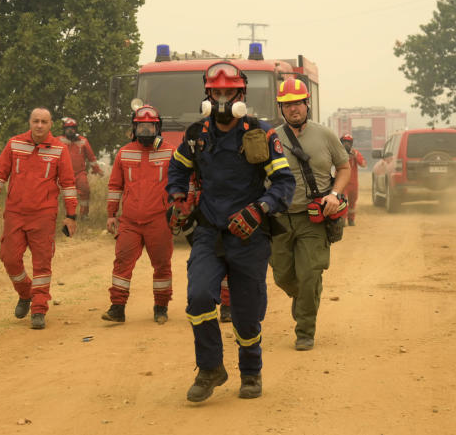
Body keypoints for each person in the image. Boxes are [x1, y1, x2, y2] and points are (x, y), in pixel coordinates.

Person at [166, 61, 295, 402]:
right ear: (207, 95)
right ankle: (210, 368)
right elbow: (177, 167)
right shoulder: (195, 135)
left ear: (241, 94)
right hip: (209, 231)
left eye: (229, 92)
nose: (222, 99)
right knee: (198, 298)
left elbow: (284, 183)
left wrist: (259, 209)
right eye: (216, 93)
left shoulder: (261, 133)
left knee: (246, 312)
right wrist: (176, 196)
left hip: (249, 236)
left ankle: (251, 372)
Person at [271, 78, 350, 352]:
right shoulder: (272, 138)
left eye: (298, 103)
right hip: (279, 218)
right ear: (281, 108)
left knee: (309, 274)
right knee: (282, 276)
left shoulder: (325, 135)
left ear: (308, 104)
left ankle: (305, 331)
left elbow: (344, 168)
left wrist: (335, 195)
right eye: (288, 104)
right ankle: (305, 297)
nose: (294, 109)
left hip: (312, 218)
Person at [0, 107, 78, 330]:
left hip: (43, 215)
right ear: (29, 122)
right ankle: (25, 293)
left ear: (50, 124)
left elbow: (68, 184)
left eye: (44, 122)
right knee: (9, 258)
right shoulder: (14, 144)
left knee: (42, 263)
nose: (39, 125)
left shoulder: (59, 149)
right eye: (35, 121)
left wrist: (71, 215)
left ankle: (38, 309)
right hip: (15, 213)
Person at [102, 105, 174, 324]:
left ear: (158, 127)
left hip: (159, 220)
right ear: (134, 128)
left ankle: (160, 307)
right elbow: (115, 186)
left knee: (161, 265)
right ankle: (117, 308)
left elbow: (182, 184)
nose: (145, 132)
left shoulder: (171, 152)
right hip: (130, 221)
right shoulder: (124, 153)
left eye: (150, 127)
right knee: (122, 262)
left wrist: (181, 212)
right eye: (141, 127)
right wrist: (111, 214)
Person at [60, 116, 105, 221]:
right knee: (67, 195)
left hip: (80, 173)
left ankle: (84, 215)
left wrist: (97, 169)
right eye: (68, 128)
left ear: (76, 129)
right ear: (64, 130)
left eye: (72, 128)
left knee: (85, 191)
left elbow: (91, 157)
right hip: (65, 174)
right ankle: (69, 216)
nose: (70, 130)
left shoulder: (83, 141)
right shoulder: (59, 140)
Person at [340, 134, 367, 226]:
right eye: (344, 142)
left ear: (351, 143)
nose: (346, 144)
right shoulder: (338, 153)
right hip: (342, 182)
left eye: (348, 142)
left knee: (352, 202)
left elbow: (363, 164)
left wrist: (355, 156)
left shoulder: (355, 153)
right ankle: (342, 220)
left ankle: (351, 220)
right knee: (342, 202)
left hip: (353, 183)